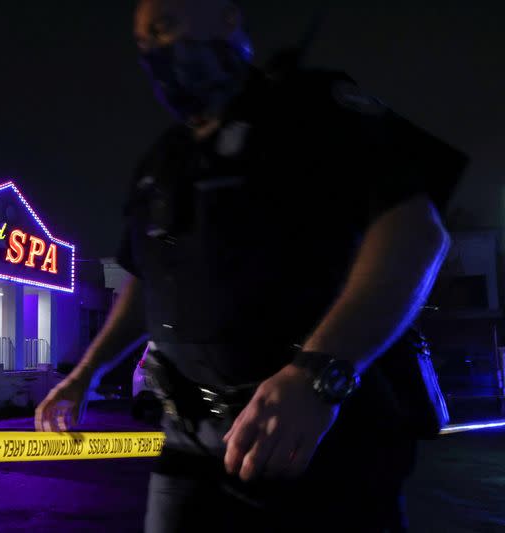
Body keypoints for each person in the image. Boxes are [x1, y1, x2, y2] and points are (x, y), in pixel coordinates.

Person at [35, 0, 468, 531]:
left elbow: (416, 234)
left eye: (168, 24)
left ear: (226, 19)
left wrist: (316, 375)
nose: (157, 50)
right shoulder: (163, 161)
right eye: (145, 41)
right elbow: (146, 283)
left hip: (313, 440)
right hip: (190, 442)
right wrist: (85, 374)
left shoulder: (315, 108)